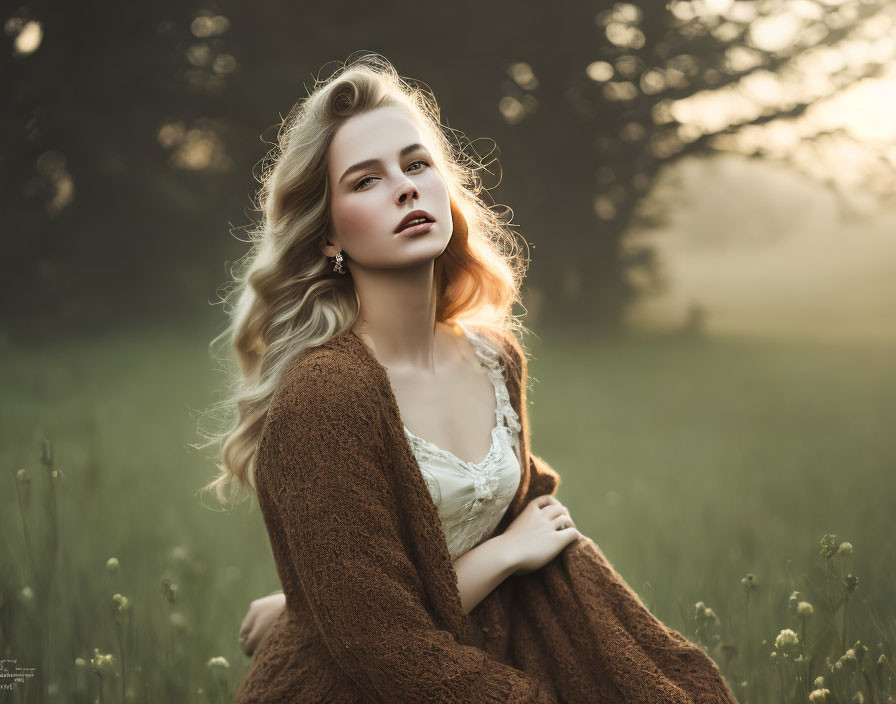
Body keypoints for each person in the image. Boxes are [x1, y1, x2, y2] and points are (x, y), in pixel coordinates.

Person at [203, 52, 738, 703]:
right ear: (326, 236)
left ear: (446, 190)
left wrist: (306, 599)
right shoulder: (325, 398)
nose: (404, 187)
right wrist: (505, 556)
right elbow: (381, 643)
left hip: (485, 648)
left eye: (417, 163)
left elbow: (507, 524)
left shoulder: (493, 356)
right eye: (365, 180)